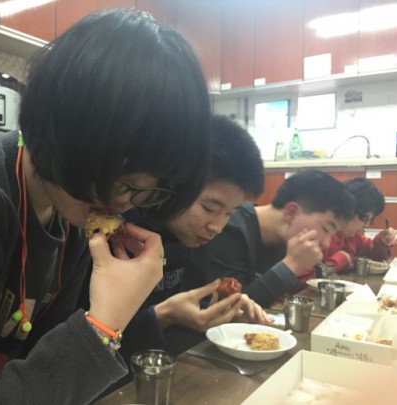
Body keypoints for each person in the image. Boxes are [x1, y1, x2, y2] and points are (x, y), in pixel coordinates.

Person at [0, 9, 213, 404]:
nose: (122, 203)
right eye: (121, 177)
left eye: (151, 190)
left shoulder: (71, 213)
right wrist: (103, 326)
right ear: (67, 122)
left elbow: (35, 368)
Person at [80, 115, 271, 397]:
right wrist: (162, 316)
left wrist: (216, 306)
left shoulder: (183, 234)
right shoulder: (116, 232)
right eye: (209, 208)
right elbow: (83, 347)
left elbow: (172, 301)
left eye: (229, 213)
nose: (217, 226)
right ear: (175, 184)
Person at [185, 170, 356, 308]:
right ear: (291, 212)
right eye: (326, 229)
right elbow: (233, 307)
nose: (327, 243)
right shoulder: (230, 227)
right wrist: (292, 265)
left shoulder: (282, 239)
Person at [322, 178, 397, 272]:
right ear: (348, 209)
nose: (367, 225)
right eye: (364, 218)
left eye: (370, 220)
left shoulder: (353, 237)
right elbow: (309, 276)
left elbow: (371, 253)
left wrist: (382, 242)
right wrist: (339, 261)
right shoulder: (321, 236)